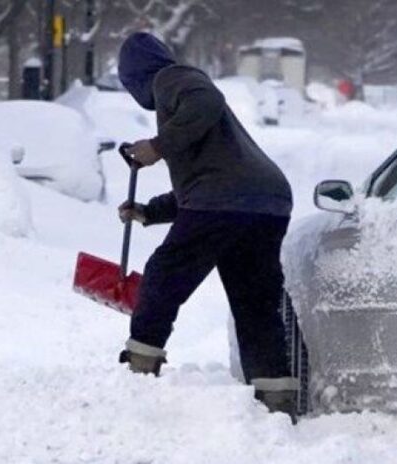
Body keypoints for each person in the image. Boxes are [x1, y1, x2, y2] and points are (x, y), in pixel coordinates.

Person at [116, 32, 297, 418]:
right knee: (254, 302)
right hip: (267, 202)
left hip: (226, 200)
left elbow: (208, 100)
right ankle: (277, 398)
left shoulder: (171, 78)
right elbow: (204, 186)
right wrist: (148, 211)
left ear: (134, 76)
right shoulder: (181, 101)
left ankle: (138, 373)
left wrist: (158, 145)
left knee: (164, 275)